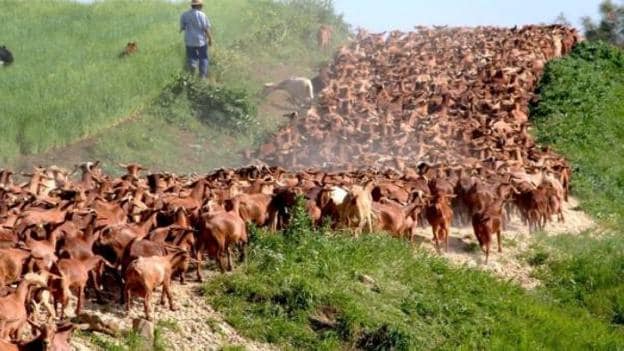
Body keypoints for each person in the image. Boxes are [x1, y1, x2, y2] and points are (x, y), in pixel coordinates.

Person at [180, 0, 213, 79]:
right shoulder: (202, 15)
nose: (202, 7)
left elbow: (182, 28)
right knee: (203, 58)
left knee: (191, 57)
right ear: (198, 6)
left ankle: (193, 66)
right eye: (201, 5)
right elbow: (206, 28)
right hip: (200, 41)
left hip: (189, 40)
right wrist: (210, 39)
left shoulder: (184, 15)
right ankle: (202, 76)